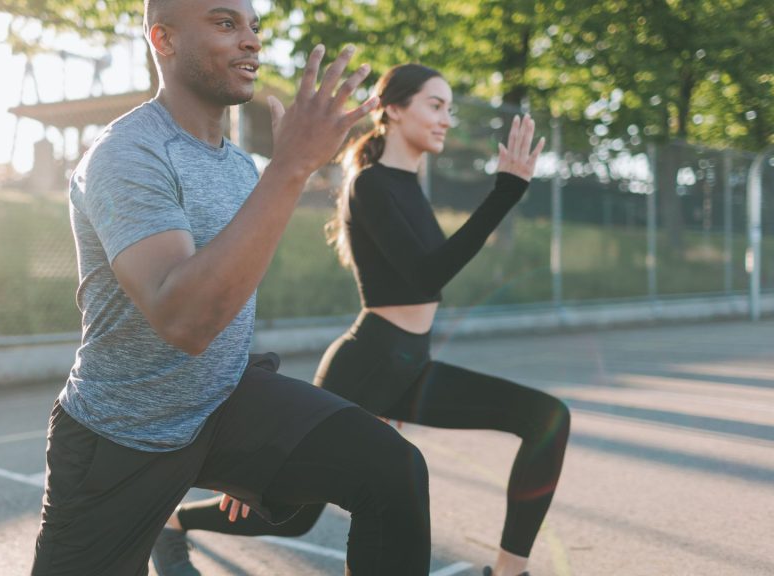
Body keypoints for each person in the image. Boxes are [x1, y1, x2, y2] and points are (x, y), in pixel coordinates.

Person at [29, 1, 435, 575]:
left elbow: (230, 300)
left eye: (254, 27)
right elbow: (185, 320)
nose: (250, 40)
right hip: (121, 436)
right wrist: (291, 166)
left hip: (220, 406)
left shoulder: (241, 168)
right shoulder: (126, 156)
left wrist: (255, 447)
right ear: (163, 40)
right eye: (225, 24)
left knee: (392, 469)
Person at [153, 64, 571, 576]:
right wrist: (505, 191)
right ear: (393, 109)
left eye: (449, 108)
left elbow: (426, 279)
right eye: (435, 105)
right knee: (291, 518)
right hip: (367, 364)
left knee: (546, 418)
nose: (445, 119)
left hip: (410, 365)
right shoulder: (369, 185)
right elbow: (426, 276)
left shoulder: (409, 185)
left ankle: (511, 571)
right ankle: (172, 522)